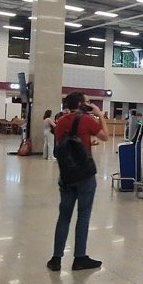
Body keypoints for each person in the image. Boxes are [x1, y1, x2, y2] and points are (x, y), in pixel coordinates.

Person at [47, 91, 108, 272]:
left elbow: (66, 144)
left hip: (66, 175)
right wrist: (99, 114)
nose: (89, 104)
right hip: (84, 176)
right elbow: (105, 135)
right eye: (87, 102)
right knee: (83, 215)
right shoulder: (87, 119)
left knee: (64, 216)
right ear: (81, 104)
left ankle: (56, 259)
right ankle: (79, 258)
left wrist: (87, 141)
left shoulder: (60, 122)